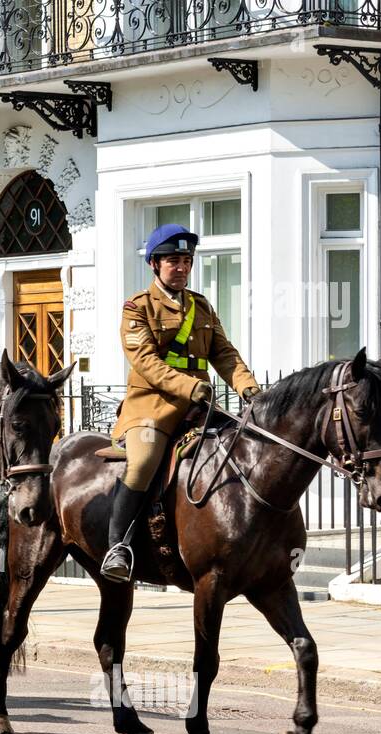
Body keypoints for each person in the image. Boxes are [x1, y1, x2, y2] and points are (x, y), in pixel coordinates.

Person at [101, 223, 261, 582]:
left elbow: (224, 354)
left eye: (186, 261)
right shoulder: (137, 308)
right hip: (151, 406)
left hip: (198, 406)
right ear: (154, 265)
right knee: (142, 463)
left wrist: (248, 387)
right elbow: (146, 362)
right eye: (173, 260)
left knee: (243, 449)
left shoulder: (200, 307)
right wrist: (189, 386)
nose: (181, 267)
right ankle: (119, 547)